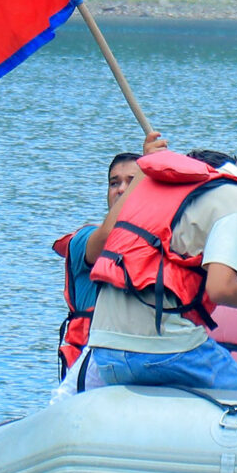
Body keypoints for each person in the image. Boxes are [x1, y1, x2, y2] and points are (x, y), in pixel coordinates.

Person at [80, 120, 237, 390]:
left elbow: (183, 234)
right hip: (162, 350)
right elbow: (220, 288)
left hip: (105, 352)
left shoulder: (191, 182)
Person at [52, 149, 142, 380]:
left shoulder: (155, 246)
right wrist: (145, 173)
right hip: (87, 365)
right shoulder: (85, 239)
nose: (121, 189)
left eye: (130, 182)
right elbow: (108, 237)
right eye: (114, 183)